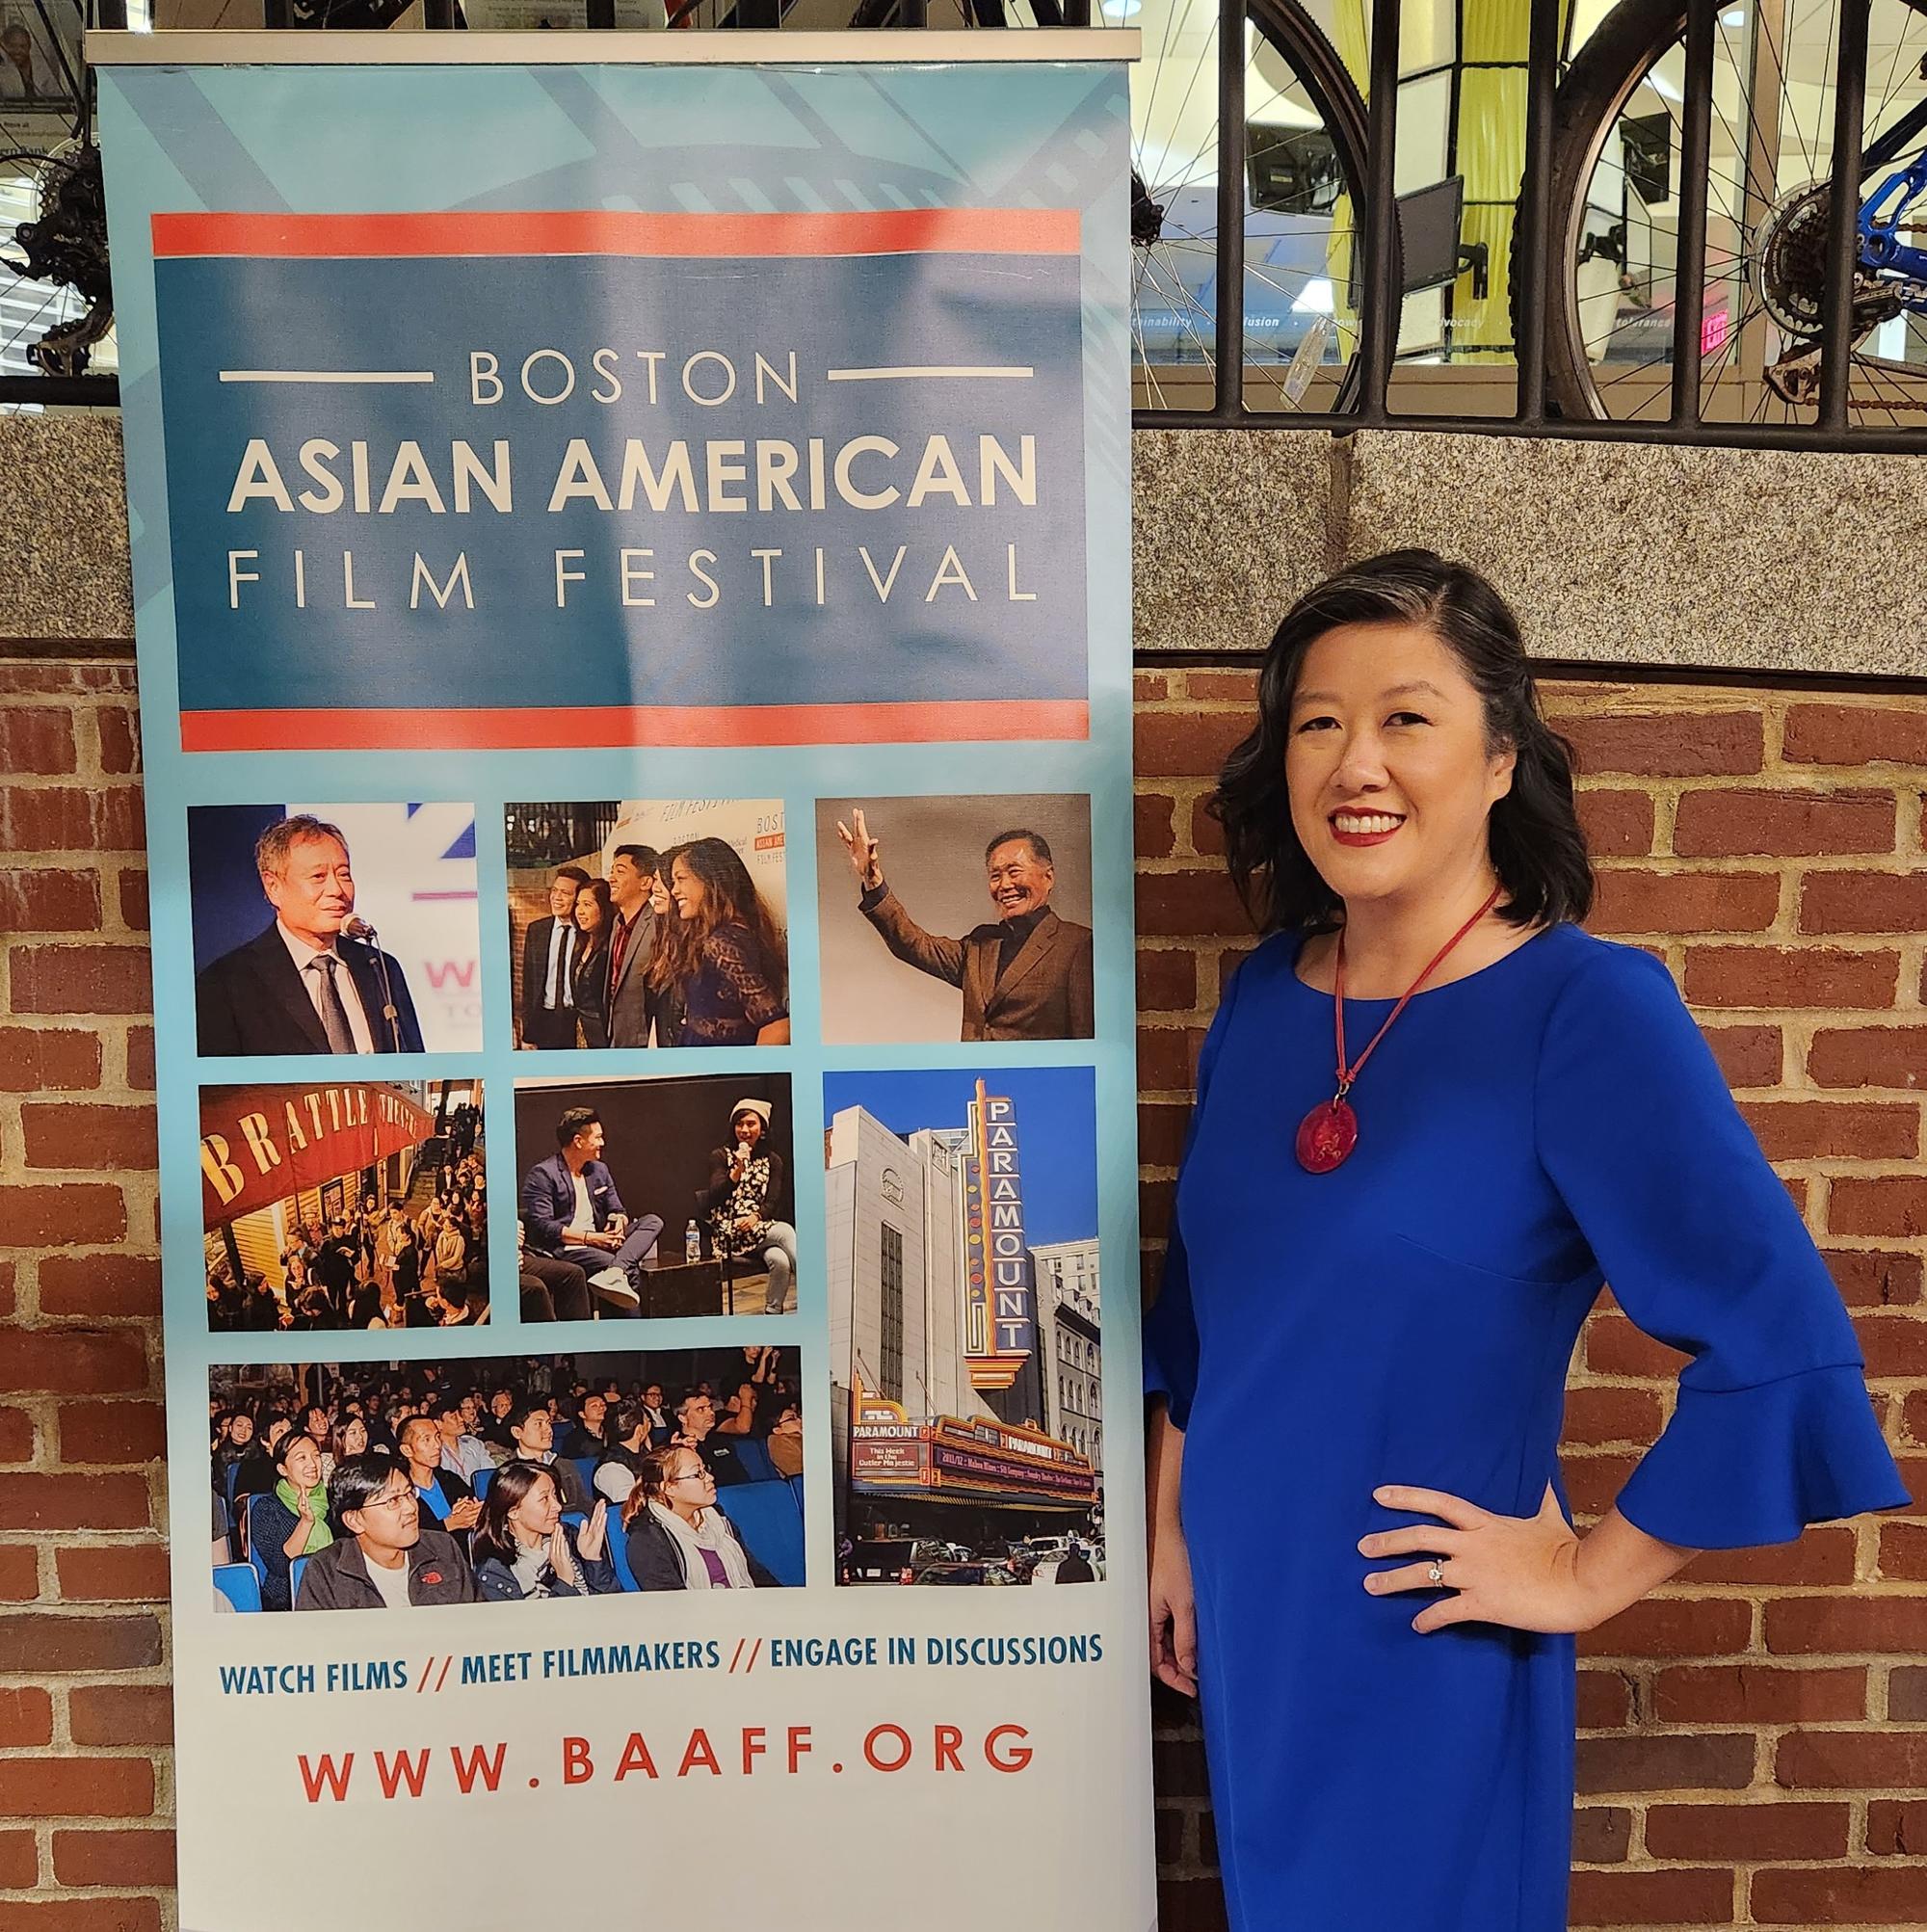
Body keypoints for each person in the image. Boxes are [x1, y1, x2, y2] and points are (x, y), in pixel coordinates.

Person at [1141, 550, 1908, 1932]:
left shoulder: (1584, 1010)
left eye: (1406, 718)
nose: (1354, 763)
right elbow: (1209, 1300)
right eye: (1318, 722)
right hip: (1251, 1613)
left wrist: (1583, 1570)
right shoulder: (1264, 998)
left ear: (1502, 756)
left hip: (1416, 1625)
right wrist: (1171, 1529)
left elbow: (1778, 1334)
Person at [836, 810, 1095, 1041]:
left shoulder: (1078, 944)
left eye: (1014, 872)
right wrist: (873, 880)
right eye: (995, 876)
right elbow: (913, 944)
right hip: (975, 1087)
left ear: (1048, 877)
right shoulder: (980, 945)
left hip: (1035, 1090)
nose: (1004, 885)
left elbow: (1087, 1043)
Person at [194, 814, 425, 1056]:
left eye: (344, 874)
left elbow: (415, 1071)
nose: (337, 890)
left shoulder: (380, 968)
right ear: (273, 887)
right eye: (318, 877)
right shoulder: (227, 982)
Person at [518, 1104, 663, 1314]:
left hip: (600, 1240)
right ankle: (630, 1329)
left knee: (652, 1221)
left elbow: (618, 1209)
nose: (602, 1143)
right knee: (624, 1267)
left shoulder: (599, 1170)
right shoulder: (543, 1174)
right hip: (568, 1248)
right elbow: (544, 1227)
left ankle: (616, 1270)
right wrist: (591, 1238)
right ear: (578, 1141)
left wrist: (618, 1223)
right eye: (598, 1137)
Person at [649, 837, 788, 1046]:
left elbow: (777, 1026)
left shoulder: (721, 943)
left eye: (681, 879)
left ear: (708, 880)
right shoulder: (729, 933)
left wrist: (749, 1077)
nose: (674, 890)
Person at [295, 1456, 481, 1610]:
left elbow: (481, 1626)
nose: (410, 1508)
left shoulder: (443, 1547)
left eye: (409, 1494)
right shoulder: (326, 1572)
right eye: (393, 1501)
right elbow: (318, 1649)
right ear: (355, 1520)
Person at [620, 1446, 773, 1591]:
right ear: (669, 1488)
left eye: (705, 1470)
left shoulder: (717, 1518)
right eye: (698, 1474)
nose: (710, 1477)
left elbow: (755, 1572)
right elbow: (673, 1607)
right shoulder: (648, 1540)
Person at [699, 1098, 797, 1314]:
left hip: (757, 1227)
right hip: (729, 1231)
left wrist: (755, 1217)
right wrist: (736, 1172)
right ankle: (817, 1290)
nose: (744, 1130)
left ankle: (773, 1313)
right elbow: (714, 1197)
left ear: (762, 1128)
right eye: (739, 1124)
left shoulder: (773, 1161)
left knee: (780, 1261)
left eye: (750, 1124)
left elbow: (772, 1201)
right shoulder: (720, 1156)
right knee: (785, 1232)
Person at [472, 1463, 618, 1601]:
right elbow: (538, 1626)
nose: (557, 1506)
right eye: (544, 1499)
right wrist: (564, 1582)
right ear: (513, 1511)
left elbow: (615, 1604)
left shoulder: (569, 1537)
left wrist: (592, 1560)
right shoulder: (495, 1572)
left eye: (554, 1495)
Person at [247, 1427, 333, 1612]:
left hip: (334, 1590)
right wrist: (306, 1522)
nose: (312, 1464)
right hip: (287, 1600)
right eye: (301, 1458)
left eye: (316, 1456)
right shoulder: (267, 1508)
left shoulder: (335, 1501)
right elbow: (280, 1566)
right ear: (283, 1469)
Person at [519, 863, 591, 1050]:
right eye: (555, 891)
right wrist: (528, 1032)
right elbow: (529, 986)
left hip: (578, 1022)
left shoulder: (590, 932)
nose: (557, 898)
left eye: (565, 893)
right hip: (544, 1020)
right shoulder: (537, 930)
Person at [604, 844, 661, 1049]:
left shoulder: (659, 925)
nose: (611, 878)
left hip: (643, 1042)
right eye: (612, 872)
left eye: (620, 872)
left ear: (646, 882)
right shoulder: (616, 923)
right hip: (615, 1037)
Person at [398, 1416, 482, 1539]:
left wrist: (473, 1513)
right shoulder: (399, 1493)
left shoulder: (449, 1479)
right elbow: (404, 1535)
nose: (437, 1445)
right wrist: (449, 1524)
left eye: (437, 1437)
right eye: (426, 1439)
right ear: (407, 1450)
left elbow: (473, 1507)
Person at [504, 1398, 593, 1514]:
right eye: (538, 1424)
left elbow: (585, 1506)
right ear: (517, 1432)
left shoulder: (566, 1466)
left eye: (548, 1423)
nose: (548, 1430)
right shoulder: (509, 1474)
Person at [570, 877, 618, 1050]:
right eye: (578, 904)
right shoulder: (581, 942)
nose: (580, 911)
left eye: (587, 905)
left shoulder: (610, 947)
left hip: (602, 1037)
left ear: (603, 909)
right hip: (582, 1032)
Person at [517, 1221, 593, 1324]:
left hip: (510, 1255)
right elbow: (542, 1223)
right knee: (535, 1287)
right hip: (490, 1265)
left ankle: (578, 1336)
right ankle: (548, 1338)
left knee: (573, 1274)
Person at [671, 1389, 747, 1487]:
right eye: (701, 1409)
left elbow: (742, 1478)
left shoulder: (722, 1441)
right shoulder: (676, 1448)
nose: (711, 1413)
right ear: (683, 1418)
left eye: (710, 1407)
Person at [594, 1402, 655, 1505]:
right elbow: (633, 1506)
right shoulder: (612, 1469)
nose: (649, 1426)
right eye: (647, 1422)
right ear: (639, 1430)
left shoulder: (642, 1453)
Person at [433, 1394, 495, 1484]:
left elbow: (490, 1473)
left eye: (460, 1415)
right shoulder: (435, 1452)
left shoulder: (473, 1443)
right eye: (454, 1417)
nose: (461, 1419)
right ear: (438, 1424)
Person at [766, 1403, 804, 1480]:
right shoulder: (779, 1445)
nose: (800, 1420)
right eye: (792, 1418)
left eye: (798, 1415)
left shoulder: (795, 1435)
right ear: (777, 1430)